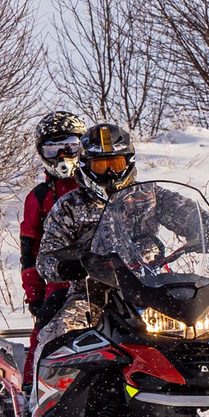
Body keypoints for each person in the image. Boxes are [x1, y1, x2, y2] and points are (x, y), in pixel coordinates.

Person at [31, 122, 142, 356]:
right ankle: (44, 391)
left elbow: (187, 213)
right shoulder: (69, 205)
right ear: (86, 167)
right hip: (91, 294)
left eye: (116, 164)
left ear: (128, 163)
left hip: (147, 290)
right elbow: (45, 258)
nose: (110, 173)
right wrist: (68, 265)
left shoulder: (148, 197)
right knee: (57, 336)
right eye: (101, 166)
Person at [18, 111, 88, 395]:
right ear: (42, 152)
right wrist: (34, 295)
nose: (62, 155)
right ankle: (31, 393)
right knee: (46, 329)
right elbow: (29, 252)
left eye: (70, 146)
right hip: (61, 279)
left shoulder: (104, 184)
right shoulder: (38, 197)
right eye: (53, 148)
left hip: (112, 274)